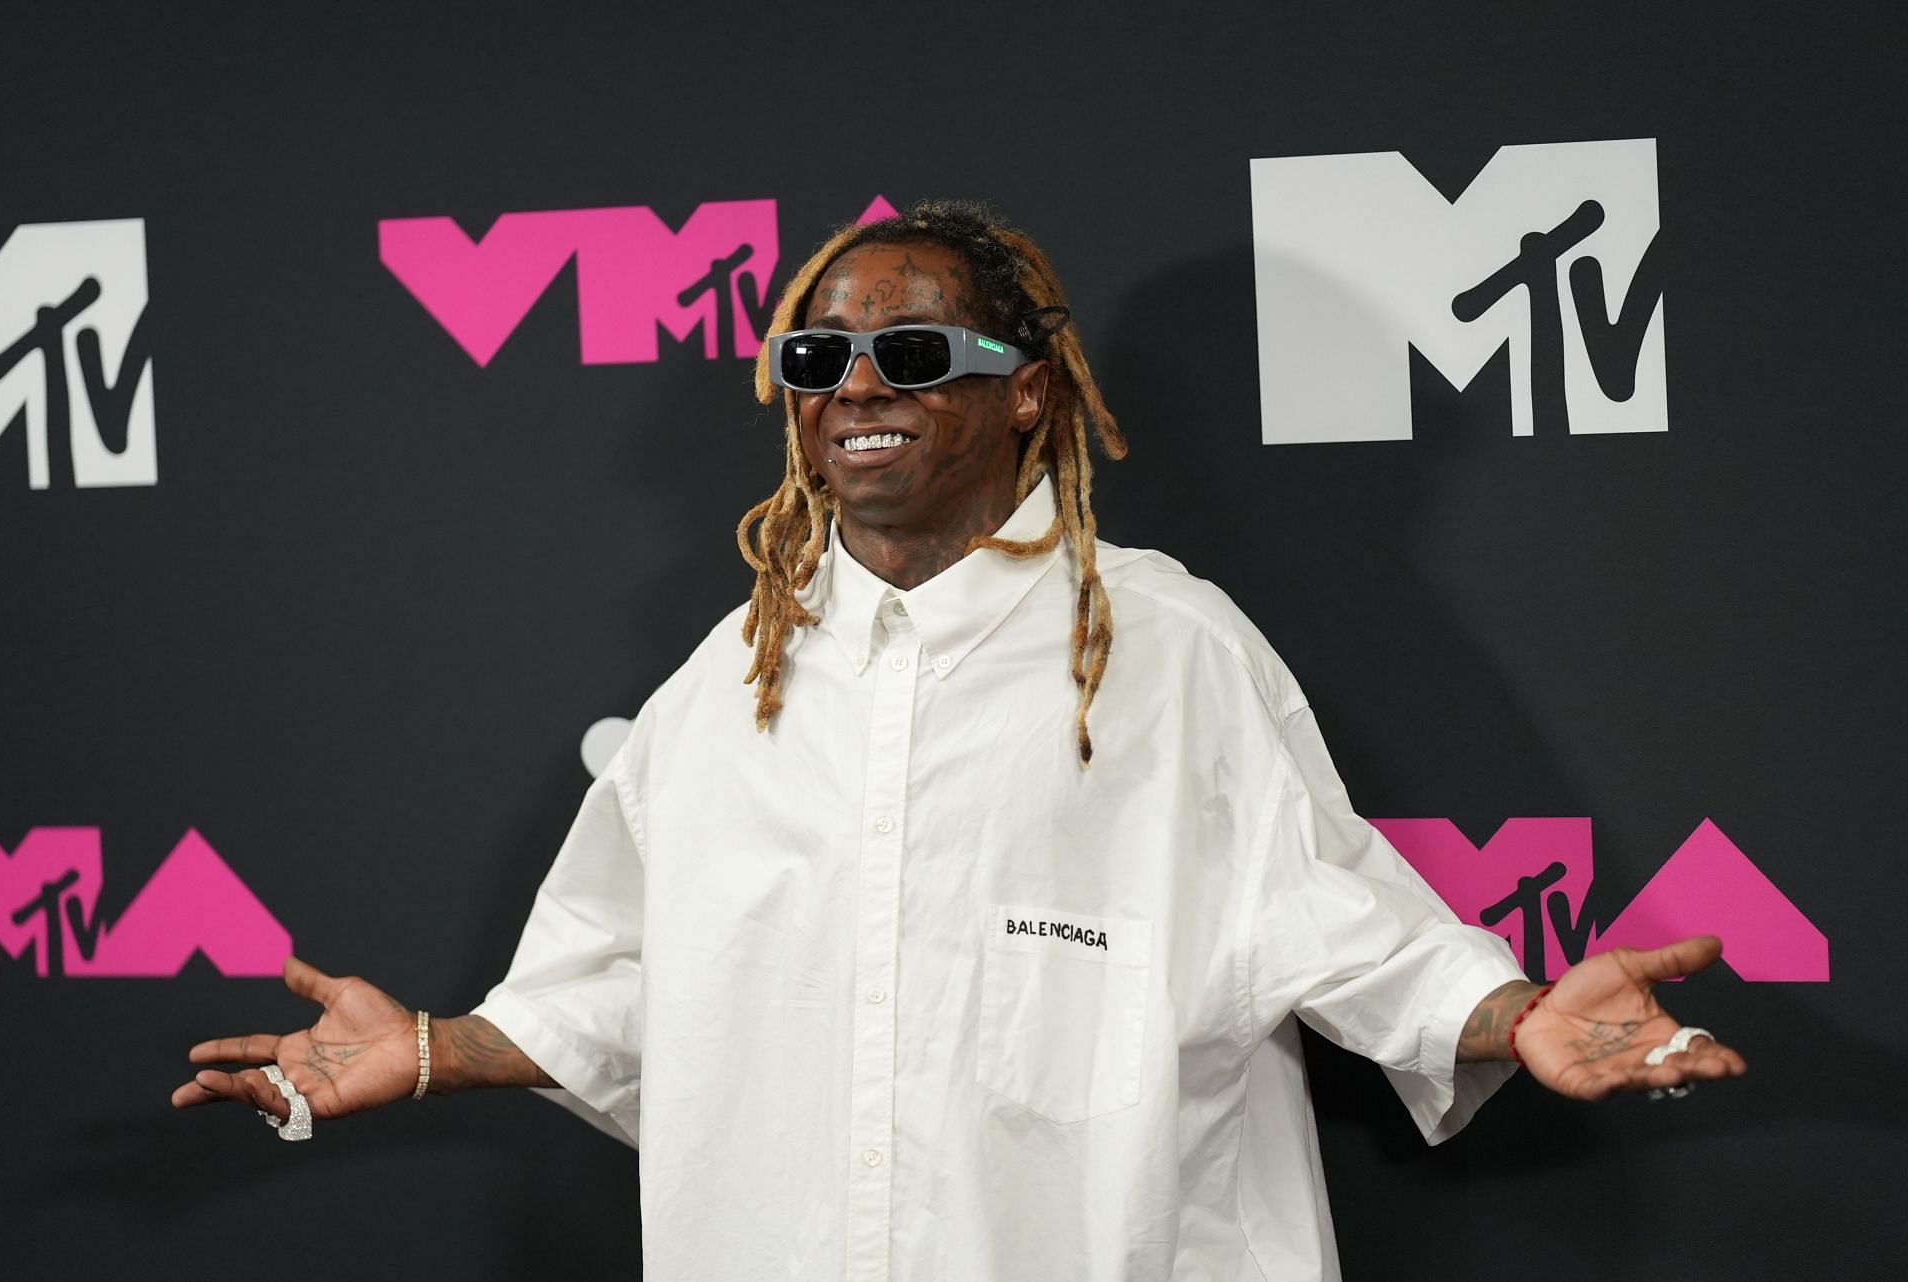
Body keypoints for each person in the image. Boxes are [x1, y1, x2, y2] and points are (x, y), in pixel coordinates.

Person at [173, 200, 1746, 1281]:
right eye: (818, 358)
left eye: (914, 354)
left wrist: (1517, 1013)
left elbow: (1336, 923)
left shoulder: (1165, 647)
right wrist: (441, 1047)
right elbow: (629, 981)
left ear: (1028, 394)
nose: (856, 385)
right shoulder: (728, 686)